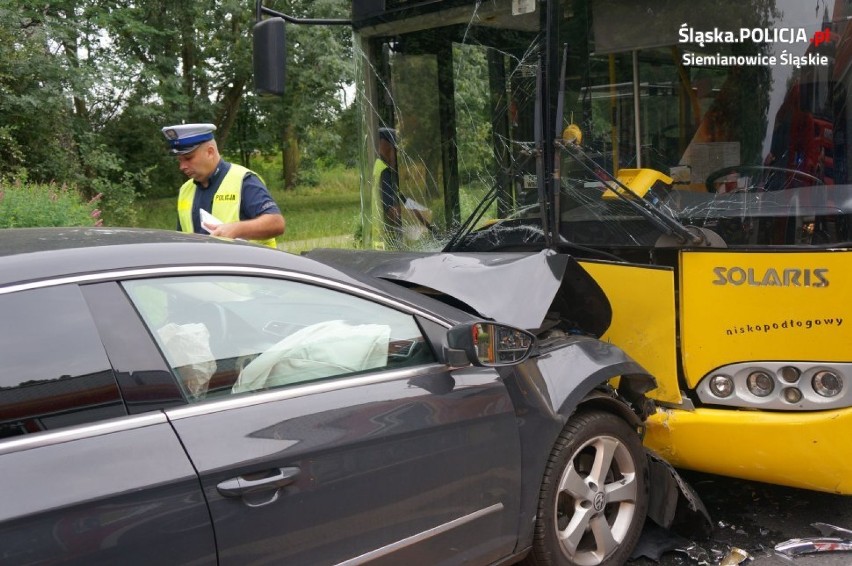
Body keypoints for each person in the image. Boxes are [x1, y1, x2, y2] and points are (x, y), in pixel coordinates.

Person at [161, 123, 285, 248]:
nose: (182, 166)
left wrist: (236, 229)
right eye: (179, 160)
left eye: (188, 158)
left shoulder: (244, 180)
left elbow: (276, 223)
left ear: (210, 152)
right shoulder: (185, 190)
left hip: (248, 266)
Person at [371, 127, 402, 250]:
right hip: (390, 245)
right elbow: (392, 214)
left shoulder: (379, 166)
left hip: (380, 242)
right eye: (394, 150)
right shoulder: (385, 171)